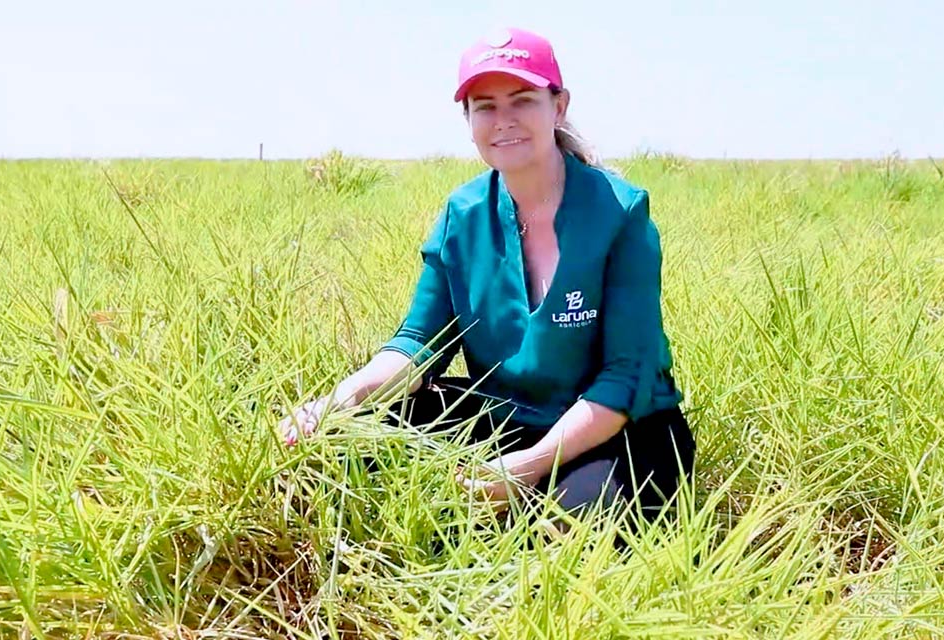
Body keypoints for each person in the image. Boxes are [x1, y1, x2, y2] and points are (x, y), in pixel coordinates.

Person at [278, 27, 695, 531]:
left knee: (568, 526)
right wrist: (334, 403)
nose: (504, 121)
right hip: (505, 414)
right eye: (485, 106)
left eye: (522, 100)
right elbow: (416, 346)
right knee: (343, 442)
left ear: (558, 107)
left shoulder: (619, 212)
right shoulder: (464, 213)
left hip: (616, 428)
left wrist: (530, 465)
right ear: (469, 120)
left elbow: (626, 375)